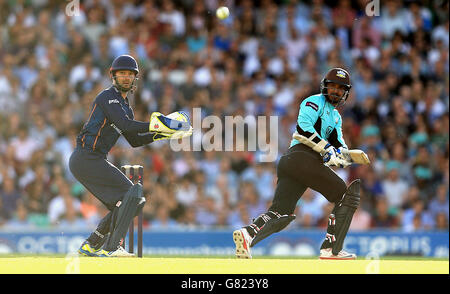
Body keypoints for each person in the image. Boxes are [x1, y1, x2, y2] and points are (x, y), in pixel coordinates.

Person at [233, 68, 361, 260]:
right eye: (332, 86)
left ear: (346, 93)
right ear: (324, 86)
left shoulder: (336, 117)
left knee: (281, 214)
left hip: (295, 164)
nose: (336, 91)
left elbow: (339, 144)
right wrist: (328, 149)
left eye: (340, 89)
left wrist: (348, 156)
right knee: (345, 195)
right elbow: (304, 130)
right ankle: (331, 249)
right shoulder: (312, 102)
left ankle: (248, 233)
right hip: (301, 158)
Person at [69, 55, 189, 257]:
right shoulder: (107, 97)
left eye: (130, 74)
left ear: (135, 79)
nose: (125, 77)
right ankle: (111, 248)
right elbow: (126, 126)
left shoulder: (126, 108)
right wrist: (163, 125)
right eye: (121, 73)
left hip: (93, 160)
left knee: (134, 201)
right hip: (85, 158)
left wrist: (162, 133)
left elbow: (135, 140)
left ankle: (92, 244)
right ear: (113, 76)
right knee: (132, 193)